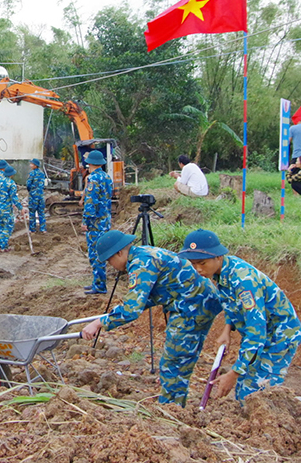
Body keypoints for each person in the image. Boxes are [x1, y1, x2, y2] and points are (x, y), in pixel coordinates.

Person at [81, 230, 221, 406]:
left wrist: (99, 323)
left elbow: (132, 310)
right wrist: (111, 315)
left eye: (110, 260)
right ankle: (176, 400)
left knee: (173, 361)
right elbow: (147, 297)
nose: (111, 265)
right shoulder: (142, 254)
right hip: (195, 301)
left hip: (193, 306)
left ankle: (171, 407)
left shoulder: (141, 263)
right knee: (179, 359)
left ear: (119, 253)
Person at [178, 229, 301, 401]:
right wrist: (227, 330)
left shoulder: (244, 281)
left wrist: (233, 373)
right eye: (193, 264)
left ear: (218, 257)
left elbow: (257, 332)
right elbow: (234, 305)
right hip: (262, 333)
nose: (198, 269)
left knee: (258, 395)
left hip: (279, 336)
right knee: (244, 388)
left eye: (202, 263)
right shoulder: (223, 272)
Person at [81, 150, 113, 294]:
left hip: (95, 223)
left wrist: (85, 221)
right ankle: (97, 282)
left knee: (95, 254)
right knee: (100, 252)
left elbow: (90, 203)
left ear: (90, 163)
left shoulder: (92, 179)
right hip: (105, 220)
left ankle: (100, 286)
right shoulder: (107, 177)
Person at [0, 165, 22, 252]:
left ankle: (3, 247)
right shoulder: (11, 183)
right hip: (6, 209)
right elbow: (13, 197)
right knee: (9, 226)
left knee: (1, 227)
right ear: (11, 174)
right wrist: (20, 207)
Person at [26, 158, 47, 233]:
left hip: (33, 196)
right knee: (41, 212)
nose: (30, 165)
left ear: (35, 165)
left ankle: (32, 229)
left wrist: (30, 191)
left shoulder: (32, 173)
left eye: (31, 164)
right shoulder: (42, 173)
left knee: (32, 213)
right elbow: (43, 184)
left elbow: (28, 184)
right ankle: (43, 229)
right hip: (41, 195)